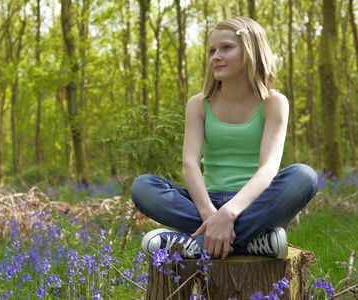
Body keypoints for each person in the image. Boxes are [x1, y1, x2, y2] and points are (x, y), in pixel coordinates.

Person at [131, 17, 318, 260]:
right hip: (203, 204)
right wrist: (211, 214)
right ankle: (252, 242)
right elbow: (189, 164)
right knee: (143, 187)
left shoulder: (274, 103)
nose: (215, 56)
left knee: (304, 176)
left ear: (251, 50)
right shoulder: (198, 104)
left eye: (226, 48)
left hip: (257, 204)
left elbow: (268, 168)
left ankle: (195, 244)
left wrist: (229, 213)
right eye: (212, 50)